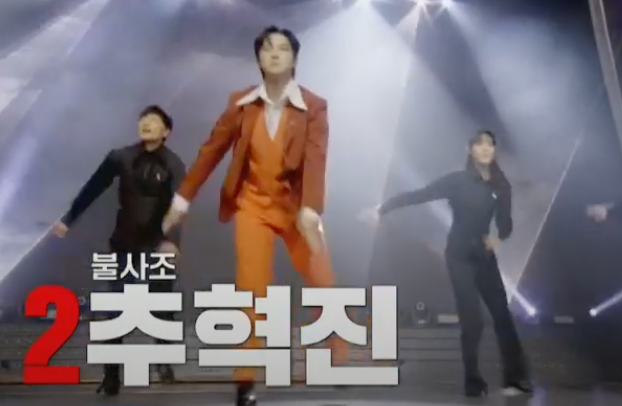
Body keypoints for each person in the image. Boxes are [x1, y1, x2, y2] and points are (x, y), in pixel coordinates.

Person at [160, 26, 345, 406]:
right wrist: (182, 199)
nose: (274, 53)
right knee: (252, 289)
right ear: (258, 57)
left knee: (323, 280)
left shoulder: (314, 106)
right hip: (252, 206)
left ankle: (339, 356)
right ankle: (244, 380)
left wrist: (310, 210)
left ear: (294, 58)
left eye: (283, 48)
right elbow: (211, 150)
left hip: (296, 208)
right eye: (267, 48)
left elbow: (316, 158)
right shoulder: (241, 103)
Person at [360, 131, 531, 398]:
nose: (485, 148)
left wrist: (498, 238)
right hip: (459, 256)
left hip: (484, 257)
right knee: (472, 321)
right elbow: (420, 195)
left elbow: (506, 223)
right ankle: (473, 381)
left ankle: (515, 379)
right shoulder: (457, 181)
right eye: (480, 144)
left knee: (503, 317)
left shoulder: (501, 185)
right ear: (470, 149)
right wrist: (382, 208)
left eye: (490, 144)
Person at [52, 105, 185, 396]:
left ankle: (163, 362)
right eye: (143, 120)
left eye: (153, 121)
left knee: (163, 306)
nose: (146, 124)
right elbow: (93, 187)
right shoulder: (120, 157)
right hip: (124, 244)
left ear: (166, 131)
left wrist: (171, 241)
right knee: (116, 309)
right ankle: (111, 375)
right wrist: (68, 219)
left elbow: (177, 206)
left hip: (158, 245)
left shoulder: (173, 164)